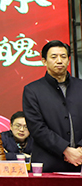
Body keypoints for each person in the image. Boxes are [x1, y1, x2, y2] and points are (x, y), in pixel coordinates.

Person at [22, 40, 82, 173]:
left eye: (63, 56)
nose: (59, 61)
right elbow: (37, 127)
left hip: (80, 160)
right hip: (48, 164)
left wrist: (80, 150)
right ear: (44, 61)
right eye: (54, 57)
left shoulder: (80, 86)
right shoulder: (33, 90)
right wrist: (65, 149)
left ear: (68, 60)